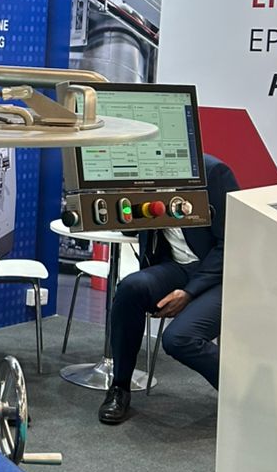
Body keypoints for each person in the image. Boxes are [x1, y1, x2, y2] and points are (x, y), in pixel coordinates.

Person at [98, 154, 240, 426]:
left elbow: (232, 241)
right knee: (130, 288)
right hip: (176, 267)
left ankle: (245, 395)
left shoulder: (213, 173)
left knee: (179, 339)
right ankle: (120, 388)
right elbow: (134, 227)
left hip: (219, 274)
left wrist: (189, 292)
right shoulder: (143, 176)